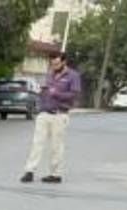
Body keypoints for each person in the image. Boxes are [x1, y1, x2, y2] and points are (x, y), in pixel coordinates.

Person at [20, 52, 82, 185]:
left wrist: (57, 93)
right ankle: (29, 171)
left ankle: (55, 174)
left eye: (57, 63)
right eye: (52, 64)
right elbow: (47, 90)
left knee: (56, 146)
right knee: (37, 143)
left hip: (60, 114)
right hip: (44, 113)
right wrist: (42, 93)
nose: (54, 66)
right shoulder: (49, 74)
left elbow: (75, 95)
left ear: (64, 62)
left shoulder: (73, 76)